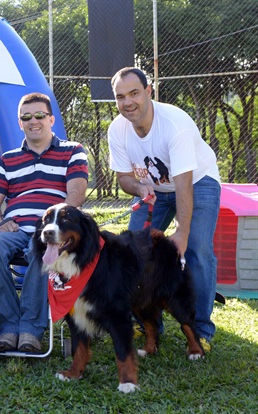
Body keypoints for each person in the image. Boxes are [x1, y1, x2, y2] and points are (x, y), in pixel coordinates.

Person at [107, 67, 221, 351]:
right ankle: (148, 326)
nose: (127, 102)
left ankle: (201, 331)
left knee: (196, 249)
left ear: (149, 91)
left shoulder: (175, 123)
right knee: (131, 252)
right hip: (154, 190)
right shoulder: (117, 129)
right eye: (121, 97)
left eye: (134, 93)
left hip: (198, 183)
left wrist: (181, 232)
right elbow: (123, 178)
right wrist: (140, 188)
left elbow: (183, 185)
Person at [0, 92, 88, 353]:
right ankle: (7, 328)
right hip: (15, 228)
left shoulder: (73, 151)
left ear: (51, 119)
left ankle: (30, 329)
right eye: (26, 117)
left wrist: (54, 227)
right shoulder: (6, 160)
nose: (33, 121)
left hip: (52, 231)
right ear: (20, 123)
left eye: (39, 115)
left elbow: (76, 195)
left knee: (41, 248)